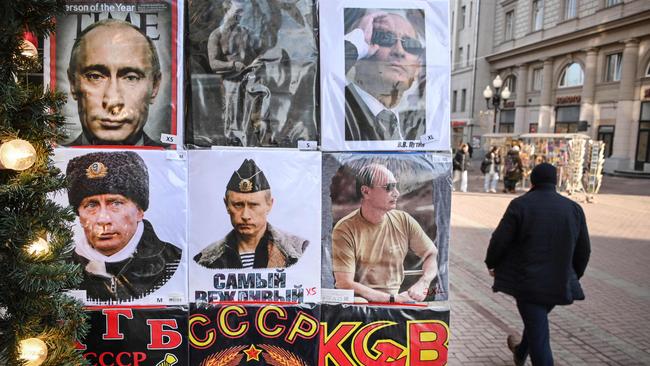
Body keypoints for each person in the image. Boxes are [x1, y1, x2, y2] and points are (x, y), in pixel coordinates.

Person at [485, 163, 591, 366]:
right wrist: (573, 275)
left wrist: (492, 263)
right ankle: (520, 351)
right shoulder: (573, 209)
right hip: (558, 282)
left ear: (533, 181)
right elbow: (584, 250)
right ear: (555, 182)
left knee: (539, 334)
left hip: (527, 282)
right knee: (536, 322)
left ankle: (524, 352)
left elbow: (500, 240)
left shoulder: (520, 204)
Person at [66, 151, 182, 302]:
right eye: (91, 205)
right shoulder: (57, 271)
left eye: (116, 203)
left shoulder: (174, 261)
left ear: (139, 211)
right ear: (79, 215)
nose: (103, 219)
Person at [332, 163, 438, 303]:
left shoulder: (403, 220)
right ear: (366, 192)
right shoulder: (345, 229)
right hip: (360, 307)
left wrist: (423, 283)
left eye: (395, 186)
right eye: (389, 187)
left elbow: (432, 254)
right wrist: (393, 299)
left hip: (394, 301)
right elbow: (344, 283)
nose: (396, 193)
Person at [194, 159, 308, 269]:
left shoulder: (300, 249)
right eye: (238, 205)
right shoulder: (205, 260)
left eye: (253, 205)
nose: (245, 216)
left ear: (269, 205)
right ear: (226, 205)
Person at [66, 19, 164, 146]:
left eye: (131, 78)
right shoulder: (49, 161)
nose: (113, 101)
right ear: (73, 83)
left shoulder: (171, 163)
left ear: (155, 86)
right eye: (95, 76)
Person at [343, 10, 426, 141]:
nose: (399, 51)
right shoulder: (336, 105)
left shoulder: (416, 128)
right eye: (384, 38)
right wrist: (353, 44)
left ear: (418, 67)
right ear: (361, 50)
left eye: (411, 45)